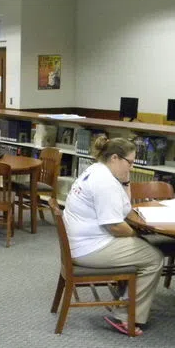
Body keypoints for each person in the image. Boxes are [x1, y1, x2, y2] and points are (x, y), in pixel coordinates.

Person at [63, 136, 163, 336]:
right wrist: (136, 232)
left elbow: (125, 208)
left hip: (81, 242)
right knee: (154, 258)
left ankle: (125, 298)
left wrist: (126, 181)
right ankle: (126, 316)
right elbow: (115, 226)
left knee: (141, 246)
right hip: (90, 248)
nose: (132, 167)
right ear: (115, 158)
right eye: (130, 162)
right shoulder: (104, 182)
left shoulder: (96, 170)